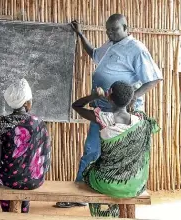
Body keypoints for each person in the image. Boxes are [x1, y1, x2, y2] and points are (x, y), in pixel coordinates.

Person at [55, 13, 163, 208]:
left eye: (114, 29)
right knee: (92, 150)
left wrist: (132, 98)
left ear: (125, 27)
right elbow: (94, 54)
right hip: (105, 108)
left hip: (122, 112)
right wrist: (81, 35)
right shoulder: (111, 44)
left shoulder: (136, 49)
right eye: (108, 30)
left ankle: (122, 190)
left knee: (117, 152)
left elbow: (154, 78)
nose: (110, 33)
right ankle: (80, 195)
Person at [70, 81, 159, 217]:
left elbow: (76, 106)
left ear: (109, 96)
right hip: (134, 183)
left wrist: (93, 96)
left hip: (105, 182)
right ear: (130, 99)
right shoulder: (140, 120)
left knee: (89, 170)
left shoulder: (103, 118)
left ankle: (107, 211)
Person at [0, 78, 51, 213]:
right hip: (35, 180)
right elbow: (45, 157)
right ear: (27, 103)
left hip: (9, 179)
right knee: (28, 170)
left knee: (0, 172)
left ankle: (7, 211)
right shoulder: (39, 123)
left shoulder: (0, 123)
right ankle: (24, 210)